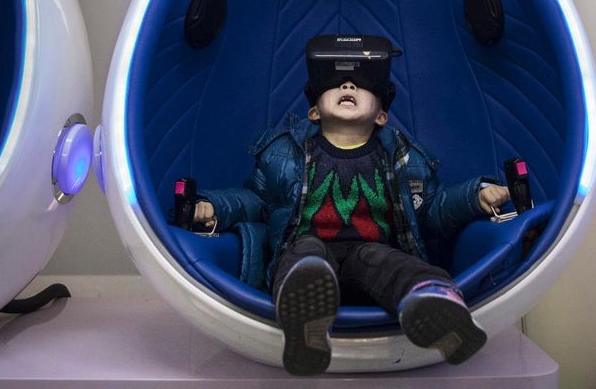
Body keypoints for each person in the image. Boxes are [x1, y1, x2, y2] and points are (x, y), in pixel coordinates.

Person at [193, 35, 510, 376]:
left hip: (370, 255)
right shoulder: (283, 155)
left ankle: (434, 306)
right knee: (306, 255)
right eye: (335, 83)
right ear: (313, 111)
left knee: (384, 260)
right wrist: (214, 207)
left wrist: (476, 195)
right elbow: (256, 201)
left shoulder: (405, 159)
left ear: (382, 116)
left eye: (362, 84)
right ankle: (306, 323)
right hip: (307, 254)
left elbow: (433, 209)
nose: (348, 83)